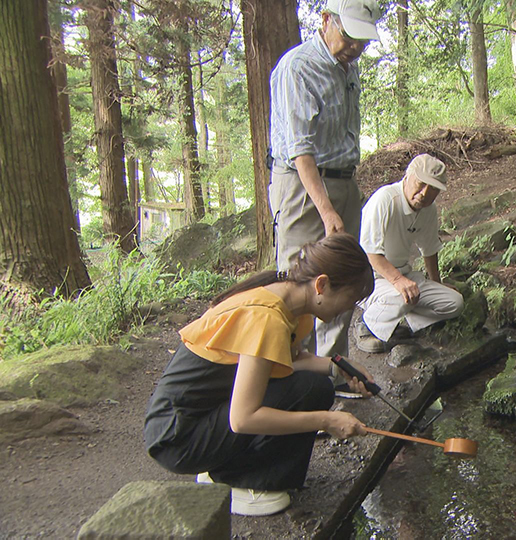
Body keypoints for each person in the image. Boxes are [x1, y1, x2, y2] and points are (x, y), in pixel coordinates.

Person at [144, 234, 376, 517]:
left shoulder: (291, 299)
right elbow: (243, 419)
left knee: (315, 387)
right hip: (178, 437)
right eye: (350, 299)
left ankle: (225, 465)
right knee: (312, 391)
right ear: (322, 284)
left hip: (200, 418)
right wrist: (326, 420)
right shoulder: (267, 318)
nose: (348, 309)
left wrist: (339, 366)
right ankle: (242, 482)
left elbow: (286, 361)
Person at [268, 0, 383, 359]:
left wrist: (345, 197)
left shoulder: (349, 68)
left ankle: (332, 372)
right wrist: (327, 210)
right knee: (299, 279)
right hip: (304, 188)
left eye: (363, 41)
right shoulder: (298, 68)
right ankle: (287, 372)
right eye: (350, 36)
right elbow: (301, 151)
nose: (356, 47)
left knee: (343, 278)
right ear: (326, 20)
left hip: (344, 181)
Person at [356, 154, 465, 353]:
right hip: (370, 278)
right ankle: (366, 326)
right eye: (421, 184)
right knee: (404, 294)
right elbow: (371, 253)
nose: (424, 193)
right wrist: (398, 281)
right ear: (408, 176)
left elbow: (430, 248)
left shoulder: (428, 209)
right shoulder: (386, 199)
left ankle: (396, 322)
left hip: (404, 276)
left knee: (454, 303)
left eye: (432, 189)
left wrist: (436, 282)